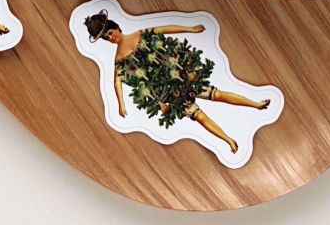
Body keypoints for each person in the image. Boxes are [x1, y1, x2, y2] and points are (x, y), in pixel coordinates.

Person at [84, 9, 270, 153]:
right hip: (166, 93)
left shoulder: (139, 34)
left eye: (110, 32)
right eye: (107, 37)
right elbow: (116, 81)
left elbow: (164, 28)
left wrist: (191, 29)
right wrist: (121, 104)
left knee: (217, 94)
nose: (111, 37)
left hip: (180, 74)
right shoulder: (119, 59)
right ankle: (229, 140)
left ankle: (256, 104)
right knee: (200, 117)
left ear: (116, 26)